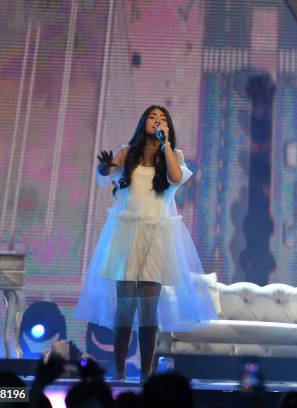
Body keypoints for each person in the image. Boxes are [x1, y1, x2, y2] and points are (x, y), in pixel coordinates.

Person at [76, 105, 217, 382]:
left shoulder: (173, 156)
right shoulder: (127, 151)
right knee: (126, 306)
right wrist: (104, 167)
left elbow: (177, 179)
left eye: (163, 119)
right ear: (144, 122)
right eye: (153, 117)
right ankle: (118, 370)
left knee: (149, 308)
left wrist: (166, 147)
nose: (157, 121)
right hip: (126, 233)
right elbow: (106, 174)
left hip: (157, 235)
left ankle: (147, 373)